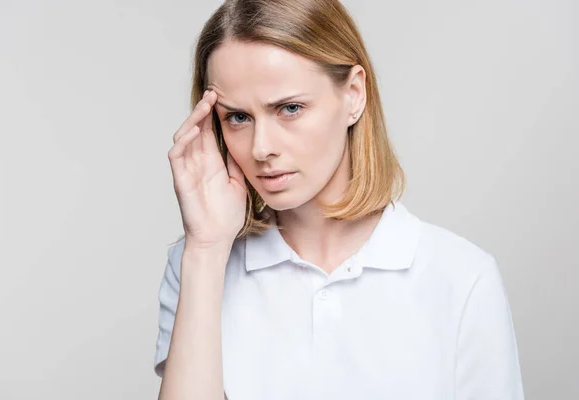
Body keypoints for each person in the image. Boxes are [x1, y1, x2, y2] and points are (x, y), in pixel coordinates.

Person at [154, 0, 525, 399]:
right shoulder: (198, 264)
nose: (261, 148)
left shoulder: (462, 277)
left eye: (290, 108)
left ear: (353, 94)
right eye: (238, 118)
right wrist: (207, 250)